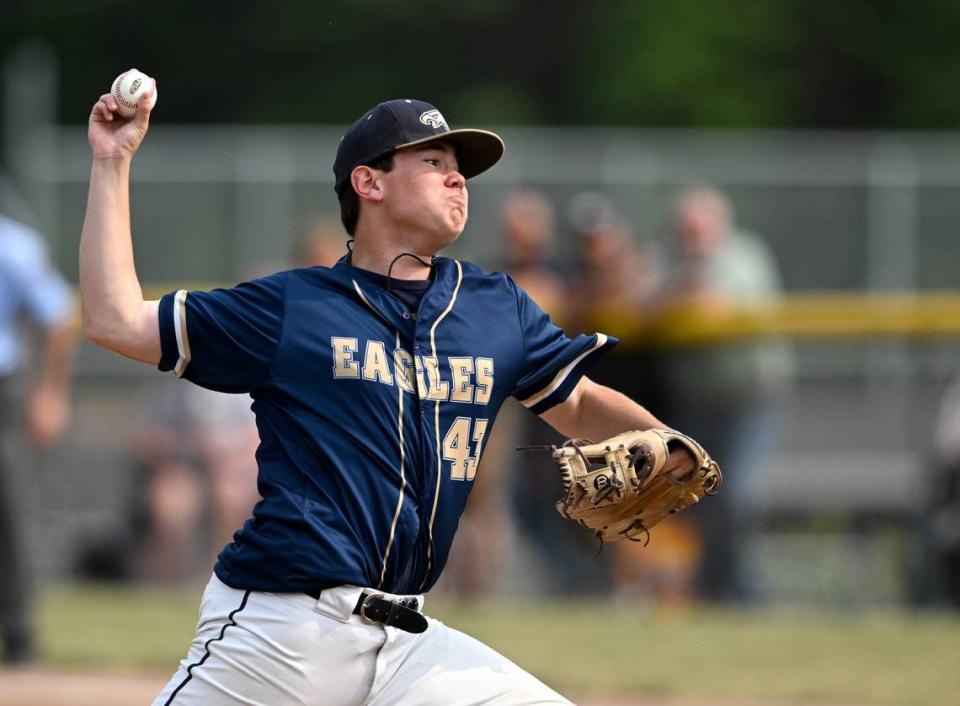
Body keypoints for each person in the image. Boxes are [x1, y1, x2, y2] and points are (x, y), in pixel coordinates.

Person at [81, 84, 702, 705]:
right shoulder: (294, 307)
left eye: (461, 170)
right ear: (368, 183)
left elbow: (581, 401)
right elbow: (115, 320)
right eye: (433, 163)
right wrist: (113, 162)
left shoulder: (496, 307)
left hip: (409, 645)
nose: (457, 179)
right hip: (277, 635)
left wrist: (661, 441)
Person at [655, 186, 793, 603]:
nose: (691, 236)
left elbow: (709, 306)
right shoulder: (667, 262)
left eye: (698, 228)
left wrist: (676, 296)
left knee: (737, 499)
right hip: (695, 404)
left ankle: (745, 592)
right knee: (699, 500)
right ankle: (712, 589)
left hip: (748, 401)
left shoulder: (744, 257)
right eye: (685, 229)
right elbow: (647, 303)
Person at [0, 209, 75, 664]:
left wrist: (50, 394)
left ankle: (18, 629)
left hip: (2, 389)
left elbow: (58, 316)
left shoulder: (13, 245)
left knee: (8, 508)